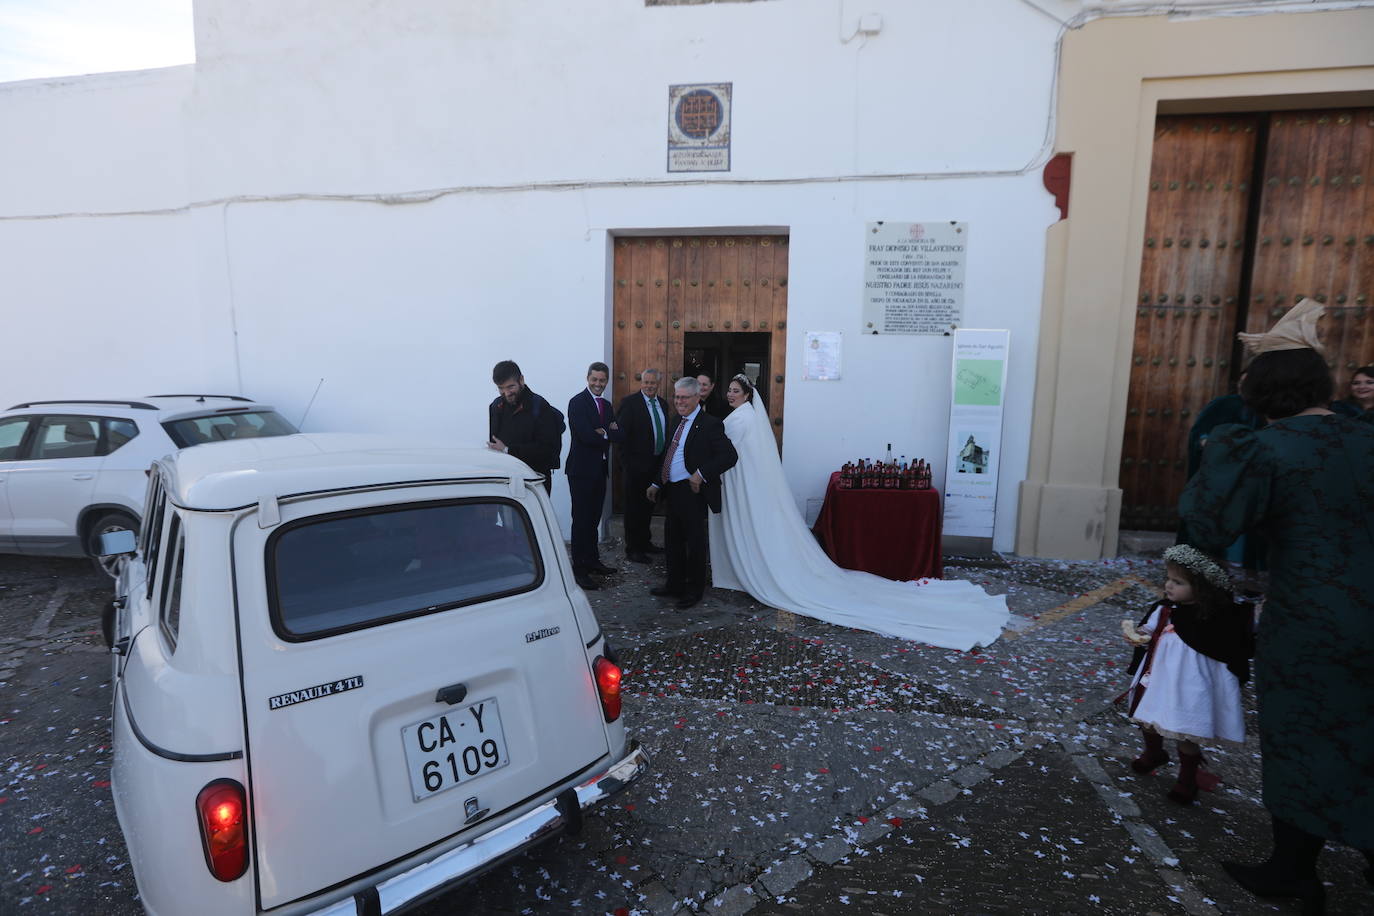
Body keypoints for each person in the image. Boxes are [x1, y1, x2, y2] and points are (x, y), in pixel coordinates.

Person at [1180, 299, 1374, 913]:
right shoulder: (1366, 438)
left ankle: (1294, 870)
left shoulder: (1267, 448)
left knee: (1302, 738)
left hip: (1313, 620)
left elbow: (1208, 523)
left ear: (1260, 390)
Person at [707, 374, 1008, 651]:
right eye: (730, 391)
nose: (731, 395)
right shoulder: (743, 416)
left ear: (748, 395)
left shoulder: (744, 419)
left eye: (736, 391)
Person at [1121, 545, 1252, 805]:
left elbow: (1228, 648)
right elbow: (1148, 629)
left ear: (1203, 587)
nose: (1169, 586)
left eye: (1178, 582)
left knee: (1184, 732)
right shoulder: (1165, 609)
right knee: (1148, 718)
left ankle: (1187, 778)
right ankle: (1153, 753)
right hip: (1158, 678)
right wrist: (1139, 636)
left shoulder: (1215, 618)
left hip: (1190, 686)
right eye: (1168, 579)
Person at [645, 377, 738, 609]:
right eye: (676, 396)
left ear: (698, 398)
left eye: (684, 397)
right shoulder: (676, 420)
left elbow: (729, 456)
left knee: (695, 544)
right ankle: (674, 584)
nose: (679, 401)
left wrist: (701, 474)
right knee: (672, 540)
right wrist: (657, 483)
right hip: (673, 490)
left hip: (694, 491)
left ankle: (694, 591)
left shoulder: (710, 424)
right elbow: (670, 455)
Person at [565, 362, 622, 590]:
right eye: (594, 379)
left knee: (594, 518)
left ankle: (592, 560)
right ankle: (579, 569)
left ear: (606, 381)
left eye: (602, 380)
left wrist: (604, 432)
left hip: (599, 469)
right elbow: (587, 436)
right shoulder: (577, 403)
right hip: (580, 471)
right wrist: (608, 432)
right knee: (581, 520)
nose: (598, 384)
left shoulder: (607, 405)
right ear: (587, 378)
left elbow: (621, 434)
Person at [615, 369, 670, 563]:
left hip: (656, 466)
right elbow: (621, 438)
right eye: (646, 382)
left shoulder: (663, 404)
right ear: (641, 382)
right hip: (635, 467)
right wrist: (626, 466)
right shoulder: (630, 404)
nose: (649, 386)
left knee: (648, 506)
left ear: (658, 384)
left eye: (653, 383)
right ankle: (633, 549)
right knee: (633, 509)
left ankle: (645, 543)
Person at [487, 360, 565, 495]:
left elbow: (547, 450)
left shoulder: (540, 406)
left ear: (521, 380)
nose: (506, 393)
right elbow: (495, 444)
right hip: (505, 481)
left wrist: (508, 450)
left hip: (535, 483)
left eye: (510, 387)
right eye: (501, 388)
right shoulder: (496, 406)